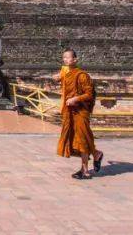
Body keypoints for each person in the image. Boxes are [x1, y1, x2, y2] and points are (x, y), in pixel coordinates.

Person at [55, 48, 103, 179]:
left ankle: (85, 170)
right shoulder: (65, 72)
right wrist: (57, 78)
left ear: (75, 60)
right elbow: (64, 83)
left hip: (80, 111)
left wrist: (75, 99)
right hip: (69, 111)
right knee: (74, 140)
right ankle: (96, 154)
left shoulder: (82, 75)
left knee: (82, 139)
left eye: (68, 57)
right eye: (64, 58)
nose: (65, 60)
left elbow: (89, 94)